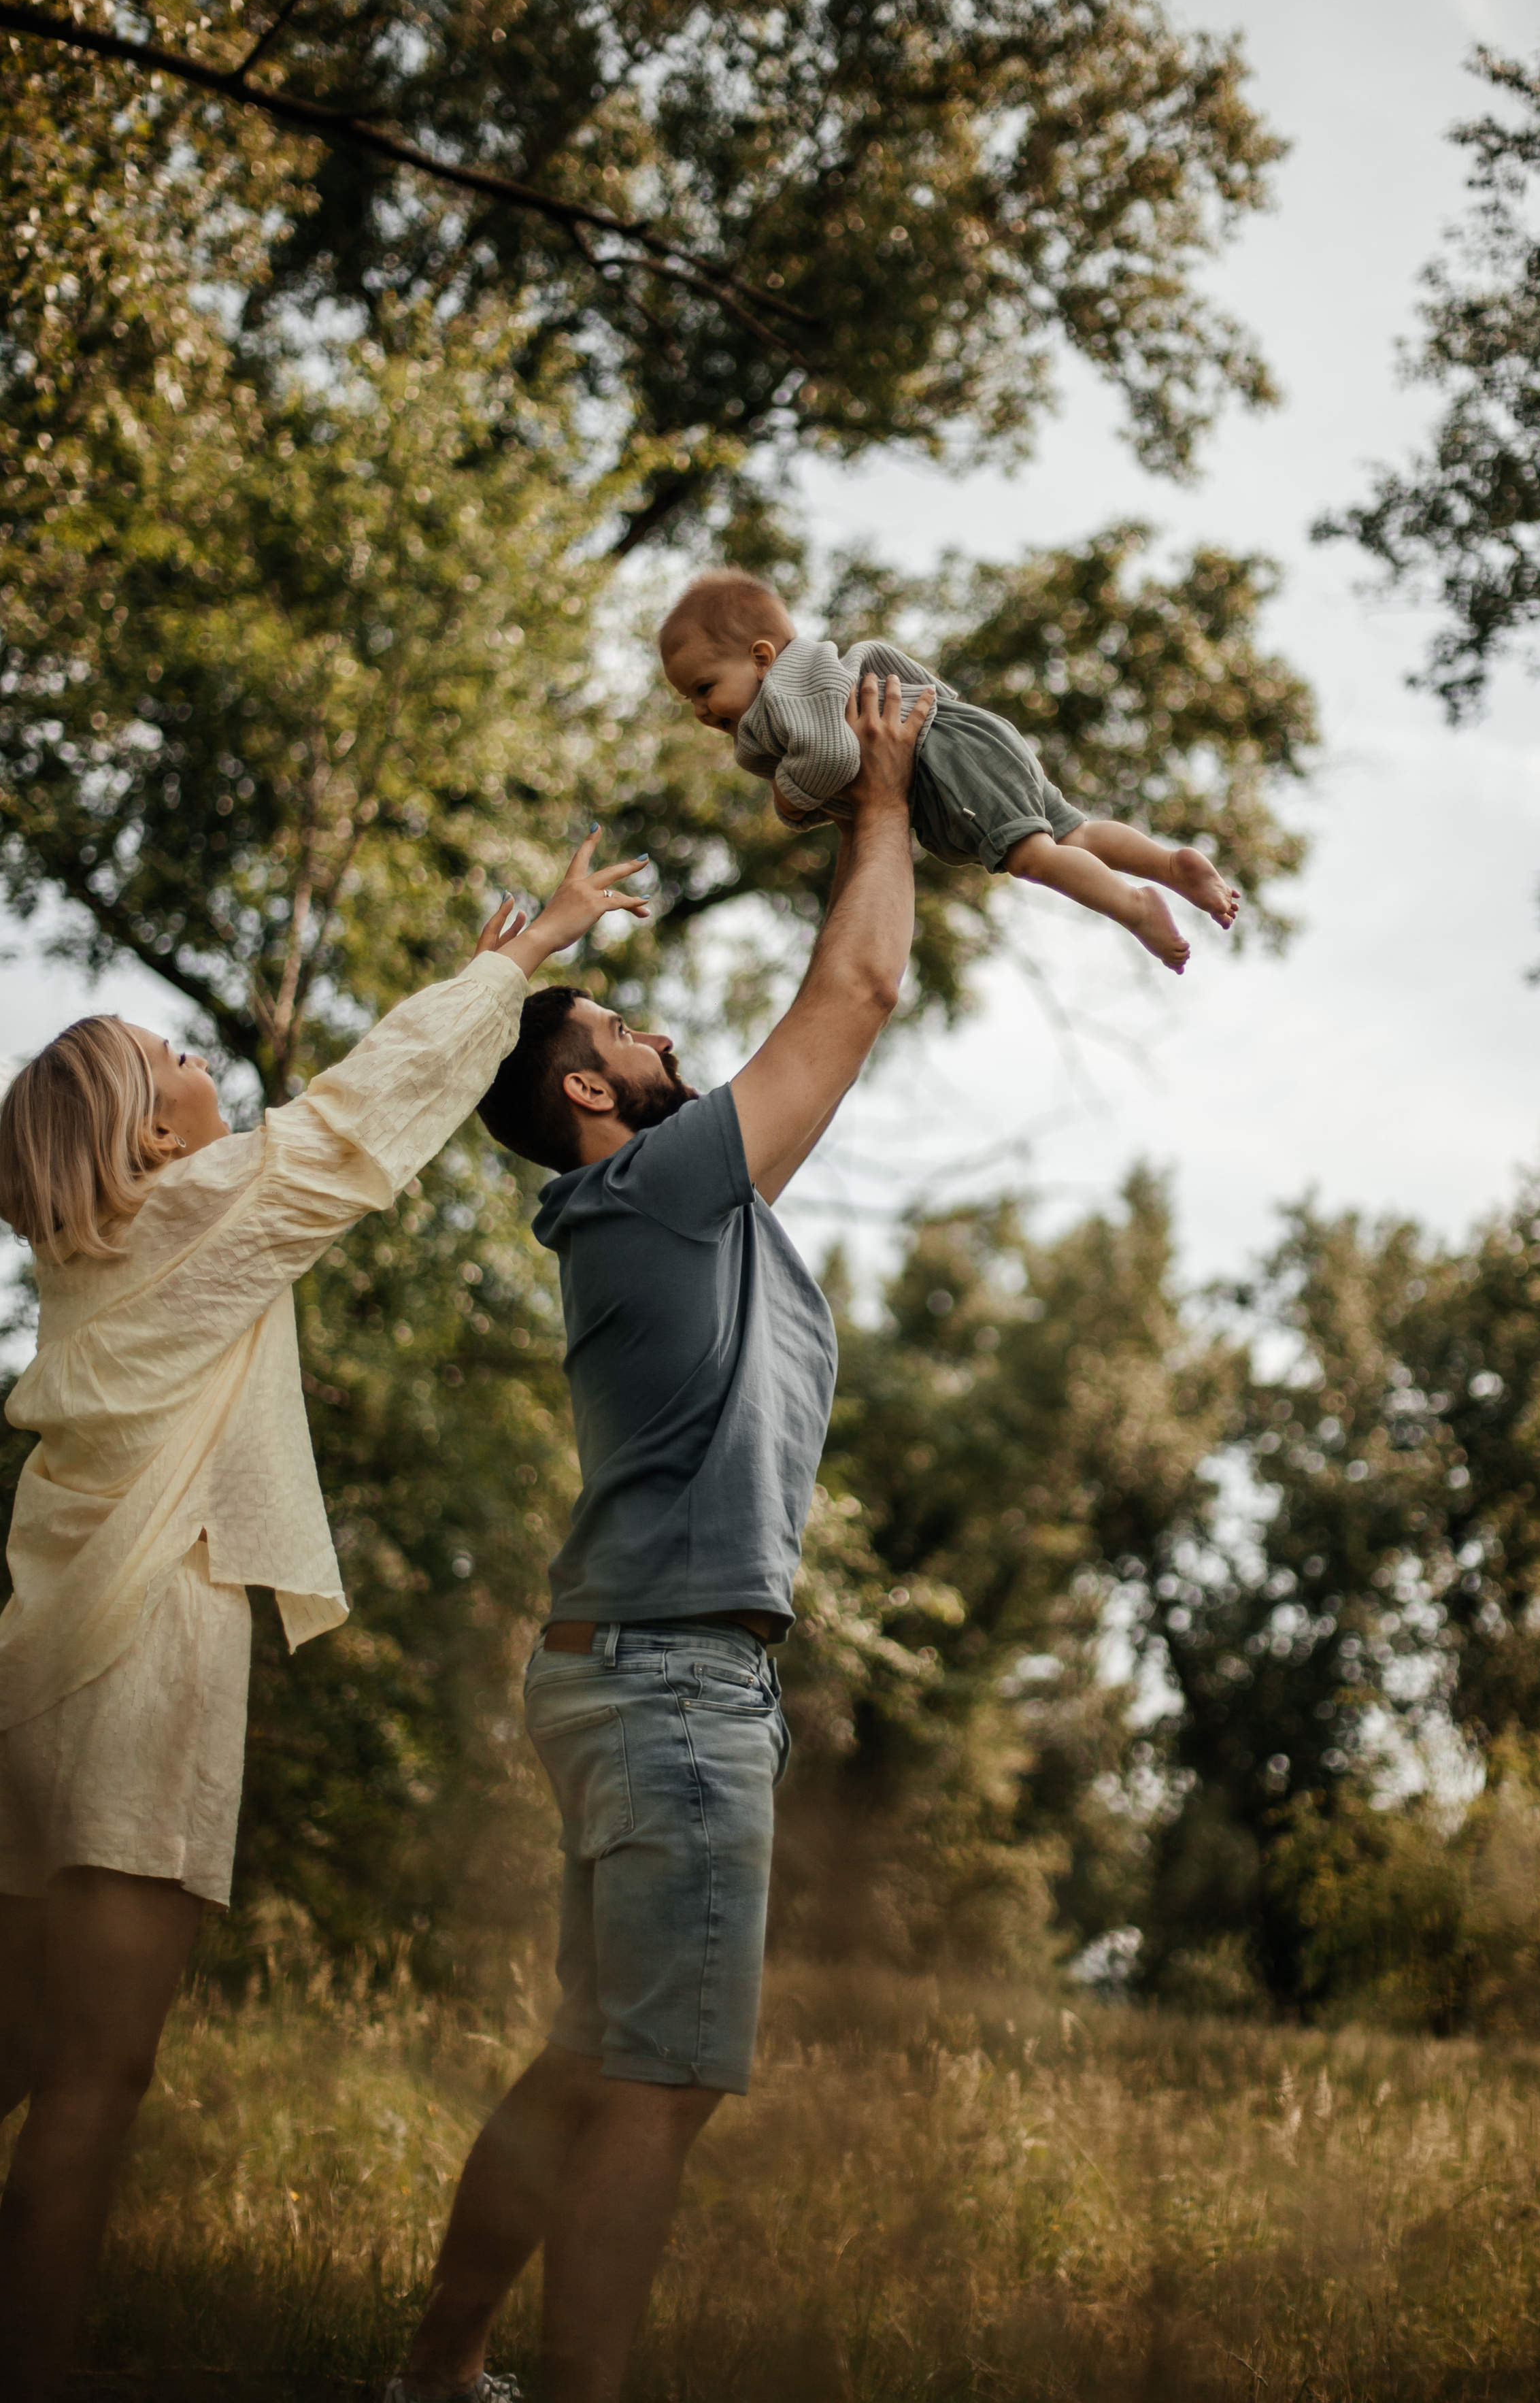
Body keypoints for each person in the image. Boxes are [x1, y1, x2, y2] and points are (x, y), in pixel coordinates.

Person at [0, 833, 651, 2403]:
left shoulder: (105, 1265)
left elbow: (346, 1116)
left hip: (44, 1681)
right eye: (167, 1056)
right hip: (134, 1675)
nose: (194, 1056)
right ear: (139, 1132)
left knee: (26, 2049)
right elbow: (351, 1129)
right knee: (96, 2080)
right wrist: (522, 961)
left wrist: (483, 987)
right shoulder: (183, 1220)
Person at [390, 673, 931, 2403]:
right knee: (659, 2079)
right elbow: (856, 991)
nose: (658, 1038)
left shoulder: (670, 1204)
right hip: (673, 1689)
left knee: (595, 2055)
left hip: (634, 1673)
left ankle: (437, 2375)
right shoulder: (653, 1188)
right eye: (623, 1029)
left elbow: (831, 1005)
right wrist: (882, 800)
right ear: (589, 1091)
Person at [658, 564, 1241, 971]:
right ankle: (1171, 864)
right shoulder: (819, 668)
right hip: (971, 736)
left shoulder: (787, 693)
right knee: (1075, 834)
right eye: (689, 699)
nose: (701, 710)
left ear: (761, 658)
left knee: (1030, 856)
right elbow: (900, 673)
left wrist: (789, 801)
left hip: (946, 758)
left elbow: (833, 756)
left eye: (705, 687)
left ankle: (1134, 907)